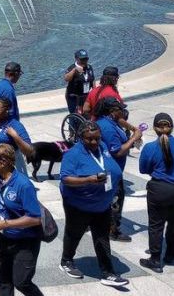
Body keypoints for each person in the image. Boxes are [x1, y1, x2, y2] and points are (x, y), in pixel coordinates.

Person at [58, 122, 128, 286]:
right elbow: (65, 179)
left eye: (97, 138)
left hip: (102, 205)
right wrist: (88, 180)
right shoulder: (72, 155)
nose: (94, 142)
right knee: (74, 233)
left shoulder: (102, 146)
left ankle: (108, 273)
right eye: (90, 139)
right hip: (78, 205)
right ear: (81, 138)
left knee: (102, 237)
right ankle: (66, 261)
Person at [0, 144, 43, 296]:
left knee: (21, 282)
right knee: (4, 280)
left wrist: (5, 223)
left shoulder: (23, 185)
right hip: (3, 238)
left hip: (25, 241)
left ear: (2, 162)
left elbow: (35, 219)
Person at [139, 113, 174, 272]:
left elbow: (143, 169)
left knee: (156, 225)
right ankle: (171, 252)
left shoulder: (150, 147)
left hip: (158, 190)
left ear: (154, 128)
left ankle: (155, 259)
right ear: (171, 127)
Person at [95, 97, 143, 242]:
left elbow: (120, 121)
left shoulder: (108, 121)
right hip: (111, 172)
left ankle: (97, 222)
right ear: (112, 111)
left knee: (104, 198)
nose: (123, 111)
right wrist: (133, 138)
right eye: (120, 109)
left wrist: (132, 128)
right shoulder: (108, 128)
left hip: (109, 169)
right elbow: (118, 151)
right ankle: (112, 230)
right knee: (115, 199)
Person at [0, 98, 33, 175]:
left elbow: (29, 151)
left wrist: (15, 136)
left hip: (11, 165)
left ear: (7, 110)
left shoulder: (16, 125)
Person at [63, 49, 95, 114]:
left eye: (86, 59)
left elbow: (92, 80)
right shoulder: (72, 67)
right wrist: (74, 70)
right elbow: (66, 79)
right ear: (76, 59)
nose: (84, 61)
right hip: (74, 97)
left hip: (85, 95)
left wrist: (94, 92)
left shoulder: (89, 67)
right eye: (82, 59)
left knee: (87, 114)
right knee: (75, 116)